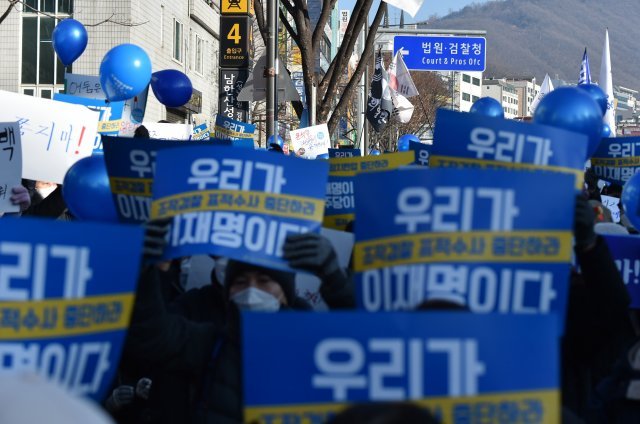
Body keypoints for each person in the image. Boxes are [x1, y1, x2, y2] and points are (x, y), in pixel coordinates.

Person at [120, 231, 353, 423]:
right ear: (227, 291)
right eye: (240, 282)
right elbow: (150, 333)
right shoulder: (211, 343)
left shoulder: (313, 344)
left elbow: (364, 337)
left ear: (285, 292)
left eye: (264, 281)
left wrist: (333, 277)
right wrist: (146, 272)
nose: (251, 290)